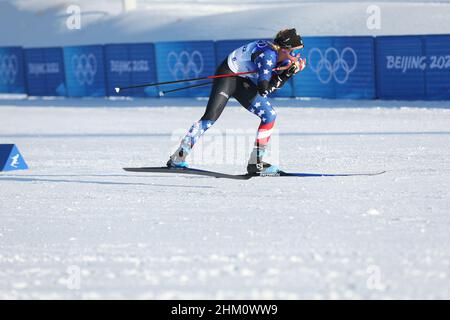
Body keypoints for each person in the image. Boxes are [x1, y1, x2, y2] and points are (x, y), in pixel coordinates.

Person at [167, 28, 306, 174]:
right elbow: (264, 89)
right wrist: (287, 75)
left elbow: (269, 80)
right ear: (284, 49)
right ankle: (178, 157)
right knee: (210, 118)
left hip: (242, 80)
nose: (296, 56)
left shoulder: (280, 56)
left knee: (269, 115)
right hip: (228, 75)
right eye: (293, 52)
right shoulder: (268, 56)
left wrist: (285, 70)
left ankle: (256, 163)